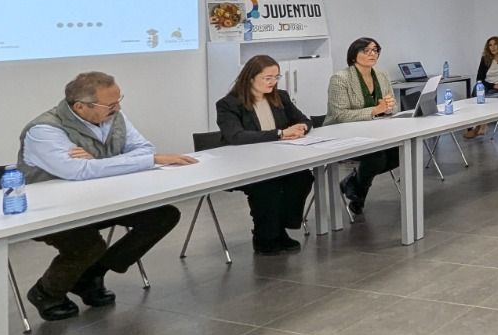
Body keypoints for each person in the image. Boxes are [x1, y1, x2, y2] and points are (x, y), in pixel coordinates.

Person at [16, 71, 194, 320]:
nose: (118, 108)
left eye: (119, 100)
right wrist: (142, 161)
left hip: (102, 200)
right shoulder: (44, 130)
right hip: (49, 210)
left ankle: (90, 275)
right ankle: (46, 292)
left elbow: (144, 148)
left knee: (163, 215)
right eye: (111, 104)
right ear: (80, 106)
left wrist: (100, 162)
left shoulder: (115, 117)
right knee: (88, 245)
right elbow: (78, 171)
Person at [215, 54, 316, 255]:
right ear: (251, 78)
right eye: (267, 78)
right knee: (267, 185)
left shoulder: (281, 97)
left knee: (302, 177)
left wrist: (302, 127)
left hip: (279, 159)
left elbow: (304, 119)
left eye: (276, 77)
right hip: (244, 164)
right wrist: (279, 134)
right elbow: (236, 136)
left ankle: (280, 228)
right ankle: (264, 236)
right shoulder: (229, 104)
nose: (273, 82)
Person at [326, 36, 399, 220]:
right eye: (366, 51)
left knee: (398, 152)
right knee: (376, 157)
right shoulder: (340, 78)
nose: (372, 54)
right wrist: (375, 110)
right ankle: (358, 191)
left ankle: (354, 183)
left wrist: (389, 107)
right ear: (353, 55)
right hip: (341, 134)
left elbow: (392, 106)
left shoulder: (381, 75)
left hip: (374, 132)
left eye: (375, 50)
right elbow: (340, 115)